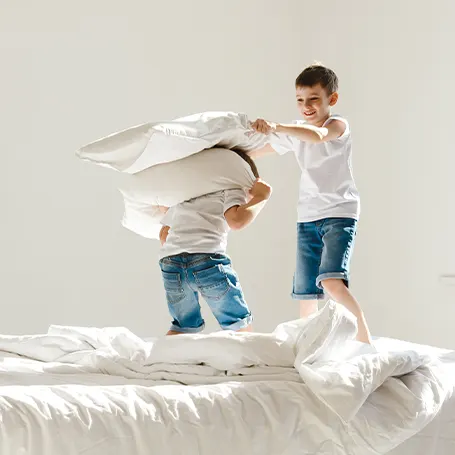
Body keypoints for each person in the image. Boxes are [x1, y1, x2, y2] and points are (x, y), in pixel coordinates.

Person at [250, 63, 372, 344]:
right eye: (300, 100)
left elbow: (317, 136)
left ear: (332, 99)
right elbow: (259, 151)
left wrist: (277, 127)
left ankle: (364, 340)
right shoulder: (297, 132)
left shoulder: (338, 126)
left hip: (339, 213)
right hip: (307, 216)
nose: (306, 106)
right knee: (305, 292)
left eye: (314, 99)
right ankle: (309, 345)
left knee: (331, 281)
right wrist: (228, 152)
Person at [158, 151, 272, 335]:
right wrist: (261, 197)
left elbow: (164, 235)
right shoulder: (231, 188)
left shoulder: (184, 195)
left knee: (183, 325)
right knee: (238, 322)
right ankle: (249, 358)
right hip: (207, 261)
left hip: (171, 264)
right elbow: (236, 221)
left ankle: (161, 358)